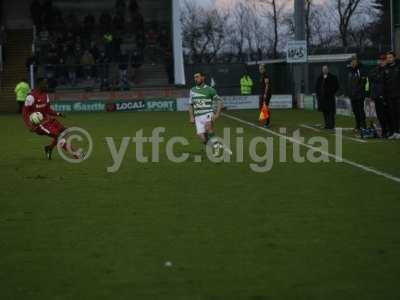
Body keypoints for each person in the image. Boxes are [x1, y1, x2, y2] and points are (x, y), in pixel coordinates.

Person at [22, 78, 82, 160]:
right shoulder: (31, 97)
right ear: (39, 85)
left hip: (48, 120)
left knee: (64, 131)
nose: (47, 85)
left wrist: (58, 114)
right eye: (45, 84)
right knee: (58, 136)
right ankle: (77, 155)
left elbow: (48, 110)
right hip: (40, 125)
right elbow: (24, 112)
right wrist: (29, 125)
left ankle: (49, 148)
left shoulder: (45, 95)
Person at [188, 72, 230, 156]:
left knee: (209, 128)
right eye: (195, 77)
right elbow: (190, 104)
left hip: (207, 113)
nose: (196, 79)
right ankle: (217, 145)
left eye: (197, 77)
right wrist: (191, 117)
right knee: (203, 138)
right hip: (198, 117)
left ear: (203, 78)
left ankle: (216, 149)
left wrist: (217, 114)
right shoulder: (192, 90)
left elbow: (219, 101)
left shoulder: (210, 90)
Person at [369, 54, 391, 138]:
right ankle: (384, 131)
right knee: (380, 115)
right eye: (380, 60)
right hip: (376, 95)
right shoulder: (376, 69)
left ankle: (389, 131)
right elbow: (371, 76)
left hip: (385, 96)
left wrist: (378, 77)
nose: (382, 61)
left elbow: (381, 79)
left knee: (387, 114)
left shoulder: (388, 69)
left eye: (383, 60)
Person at [315, 65, 339, 129]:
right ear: (322, 70)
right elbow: (317, 88)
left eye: (326, 69)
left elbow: (336, 86)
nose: (325, 70)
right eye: (323, 69)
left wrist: (331, 92)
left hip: (330, 98)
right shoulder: (320, 78)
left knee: (331, 112)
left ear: (328, 70)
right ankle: (326, 124)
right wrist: (318, 95)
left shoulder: (333, 77)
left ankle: (331, 125)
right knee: (325, 112)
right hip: (322, 99)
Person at [348, 55, 367, 131]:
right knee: (355, 111)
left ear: (357, 61)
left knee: (360, 111)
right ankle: (358, 126)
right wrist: (349, 92)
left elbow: (363, 82)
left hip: (359, 95)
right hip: (352, 95)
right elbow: (349, 83)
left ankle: (363, 126)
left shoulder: (361, 70)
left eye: (354, 60)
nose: (353, 62)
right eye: (352, 60)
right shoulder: (350, 71)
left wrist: (358, 91)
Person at [384, 51, 400, 140]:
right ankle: (395, 132)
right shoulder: (386, 69)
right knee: (392, 115)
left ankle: (398, 132)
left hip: (398, 95)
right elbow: (384, 83)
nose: (389, 59)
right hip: (389, 96)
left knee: (398, 114)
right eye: (388, 57)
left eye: (390, 57)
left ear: (394, 58)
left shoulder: (398, 67)